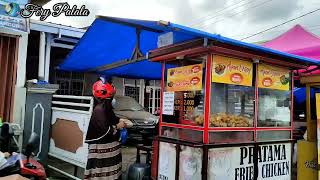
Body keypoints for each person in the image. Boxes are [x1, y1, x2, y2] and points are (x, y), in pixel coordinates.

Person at [84, 79, 126, 180]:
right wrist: (117, 126)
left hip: (111, 149)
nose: (112, 100)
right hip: (100, 149)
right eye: (111, 98)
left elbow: (112, 118)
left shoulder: (106, 108)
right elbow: (105, 130)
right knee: (100, 174)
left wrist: (121, 120)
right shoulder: (99, 110)